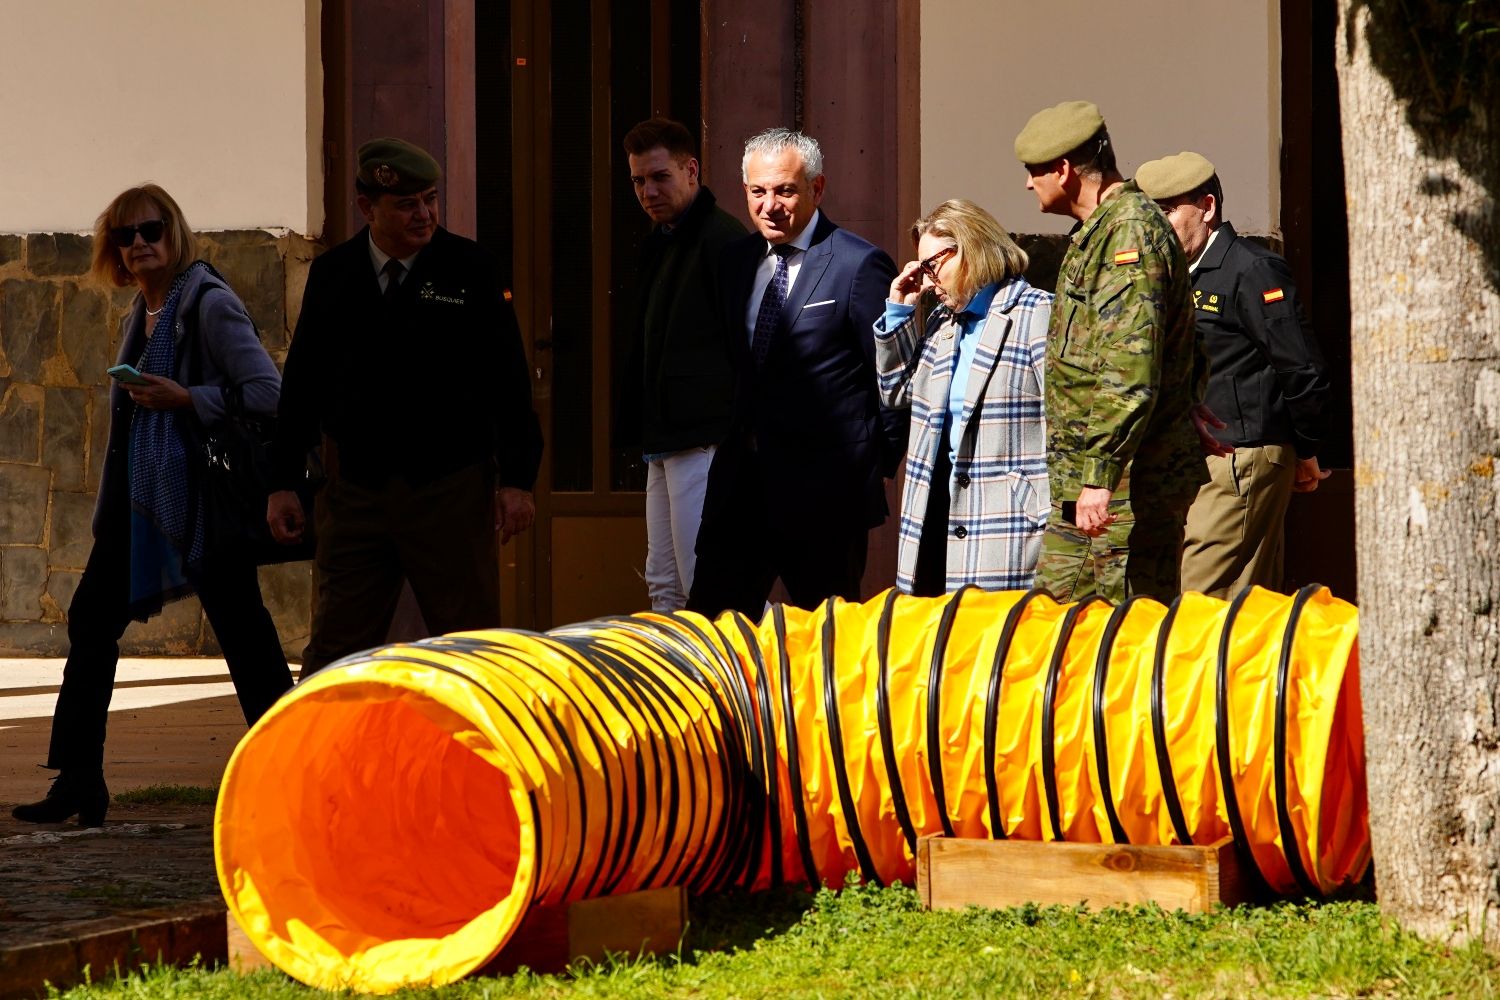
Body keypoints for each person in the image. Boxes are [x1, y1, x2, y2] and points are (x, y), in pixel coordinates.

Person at [13, 184, 294, 827]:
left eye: (151, 230)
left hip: (204, 503)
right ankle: (79, 779)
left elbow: (269, 394)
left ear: (175, 232)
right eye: (125, 235)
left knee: (246, 638)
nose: (139, 244)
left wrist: (189, 398)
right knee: (90, 624)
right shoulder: (138, 315)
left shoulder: (209, 303)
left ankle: (292, 770)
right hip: (141, 507)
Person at [267, 138, 542, 675]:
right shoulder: (336, 274)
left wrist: (517, 479)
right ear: (368, 209)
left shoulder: (469, 268)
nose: (424, 214)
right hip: (357, 494)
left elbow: (508, 382)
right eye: (407, 204)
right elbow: (301, 387)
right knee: (333, 651)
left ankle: (476, 757)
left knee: (471, 648)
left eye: (431, 199)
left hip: (450, 491)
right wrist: (282, 481)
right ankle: (325, 759)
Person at [687, 128, 901, 617]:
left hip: (825, 496)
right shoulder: (734, 262)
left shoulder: (858, 264)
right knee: (713, 632)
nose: (770, 205)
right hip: (740, 491)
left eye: (784, 190)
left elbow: (892, 379)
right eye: (757, 192)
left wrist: (875, 465)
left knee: (826, 649)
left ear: (817, 189)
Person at [1013, 101, 1204, 604]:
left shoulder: (1128, 233)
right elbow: (1171, 338)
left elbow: (1129, 367)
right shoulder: (1104, 231)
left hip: (1124, 488)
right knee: (1058, 630)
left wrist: (1099, 476)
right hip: (1096, 485)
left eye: (1034, 173)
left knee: (1126, 643)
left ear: (1062, 170)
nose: (1028, 185)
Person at [1136, 151, 1331, 599]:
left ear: (1206, 207)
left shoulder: (1250, 268)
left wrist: (1306, 447)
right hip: (1192, 463)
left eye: (1166, 212)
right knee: (1238, 605)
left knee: (1200, 603)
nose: (1154, 227)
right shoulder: (1172, 273)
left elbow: (1300, 366)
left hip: (1239, 458)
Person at [875, 199, 1052, 595]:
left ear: (970, 248)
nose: (927, 279)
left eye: (931, 265)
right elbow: (897, 394)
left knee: (995, 645)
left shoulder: (1036, 313)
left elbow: (1067, 424)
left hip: (1005, 521)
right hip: (934, 512)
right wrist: (900, 312)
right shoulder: (942, 322)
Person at [621, 118, 747, 611]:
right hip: (666, 437)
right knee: (663, 584)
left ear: (691, 170)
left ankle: (725, 687)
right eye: (637, 180)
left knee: (704, 583)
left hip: (705, 440)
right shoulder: (663, 239)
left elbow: (743, 345)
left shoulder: (724, 240)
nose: (647, 191)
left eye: (659, 177)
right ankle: (676, 688)